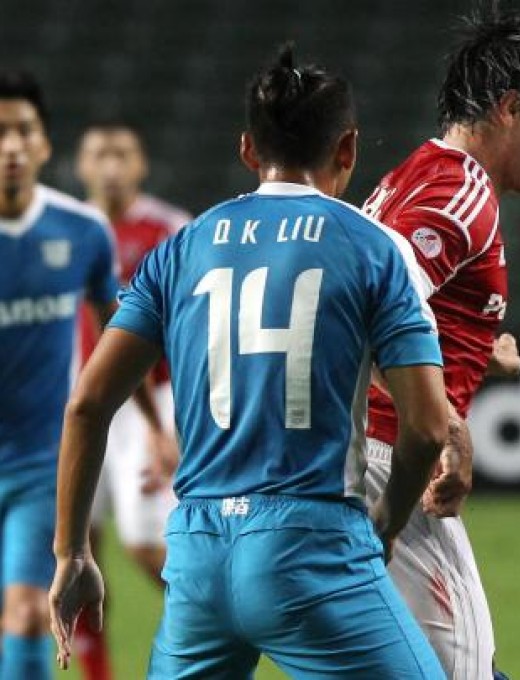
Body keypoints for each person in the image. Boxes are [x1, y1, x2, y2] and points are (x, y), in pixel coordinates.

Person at [49, 46, 449, 678]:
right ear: (347, 149)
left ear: (246, 150)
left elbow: (88, 402)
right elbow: (429, 427)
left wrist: (71, 551)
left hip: (199, 556)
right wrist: (389, 521)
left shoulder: (182, 246)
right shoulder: (374, 248)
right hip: (312, 546)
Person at [360, 8, 520, 678]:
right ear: (508, 108)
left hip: (348, 452)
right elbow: (364, 308)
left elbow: (394, 300)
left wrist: (473, 353)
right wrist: (445, 421)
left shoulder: (416, 173)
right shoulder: (461, 193)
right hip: (389, 460)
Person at [0, 70, 173, 680]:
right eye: (0, 134)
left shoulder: (84, 233)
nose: (12, 147)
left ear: (46, 145)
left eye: (24, 131)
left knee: (26, 611)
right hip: (51, 433)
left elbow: (117, 335)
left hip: (43, 458)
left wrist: (157, 424)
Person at [73, 119, 191, 680]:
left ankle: (210, 631)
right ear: (81, 166)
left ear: (141, 164)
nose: (112, 166)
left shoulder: (172, 230)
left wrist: (175, 423)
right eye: (100, 154)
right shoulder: (65, 228)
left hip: (155, 402)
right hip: (75, 402)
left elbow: (197, 327)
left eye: (122, 153)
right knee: (76, 550)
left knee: (149, 545)